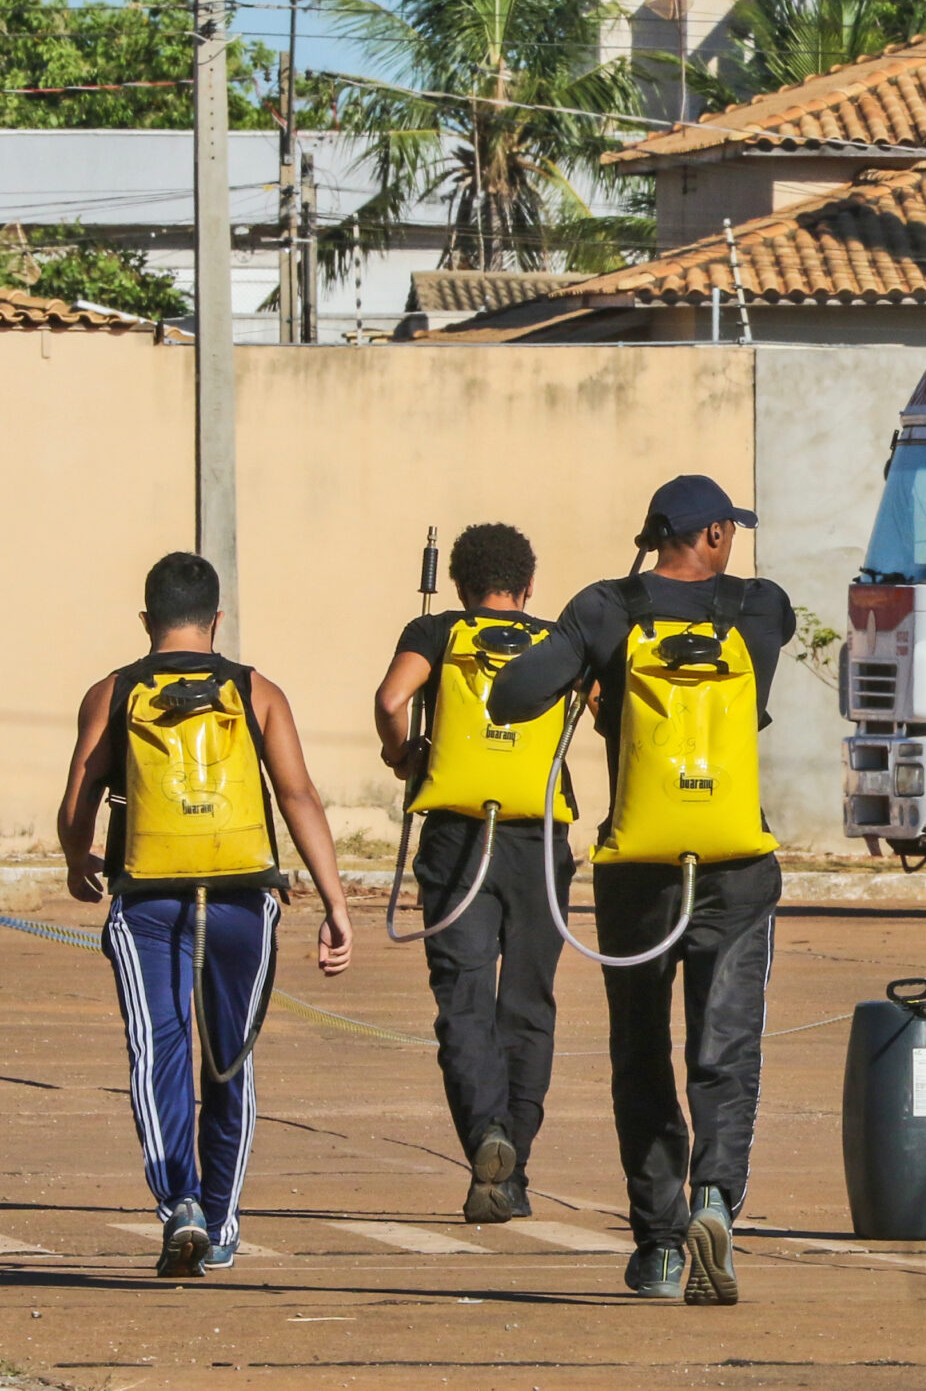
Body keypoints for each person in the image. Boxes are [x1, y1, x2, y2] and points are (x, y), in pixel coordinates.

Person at [488, 475, 792, 1306]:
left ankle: (659, 1245)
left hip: (639, 872)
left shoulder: (605, 607)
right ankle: (716, 1198)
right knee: (726, 1044)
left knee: (640, 1049)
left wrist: (592, 671)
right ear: (718, 534)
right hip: (736, 864)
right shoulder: (762, 606)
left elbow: (511, 695)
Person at [54, 552, 354, 1278]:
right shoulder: (257, 691)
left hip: (147, 898)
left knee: (158, 1051)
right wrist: (335, 901)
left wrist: (76, 860)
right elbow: (299, 796)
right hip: (242, 901)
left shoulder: (113, 690)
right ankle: (219, 1221)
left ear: (146, 620)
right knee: (230, 1063)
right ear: (217, 619)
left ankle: (178, 1204)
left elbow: (76, 805)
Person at [373, 522, 577, 1225]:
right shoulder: (559, 640)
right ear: (527, 585)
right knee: (528, 1003)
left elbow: (390, 699)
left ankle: (487, 1136)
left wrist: (405, 755)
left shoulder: (436, 631)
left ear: (459, 585)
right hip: (539, 838)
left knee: (462, 1001)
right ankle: (511, 1160)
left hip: (457, 836)